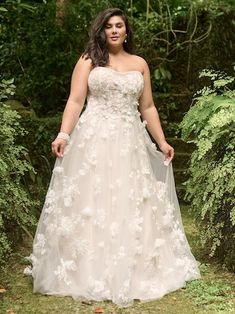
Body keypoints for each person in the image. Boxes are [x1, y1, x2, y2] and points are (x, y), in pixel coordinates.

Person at [26, 7, 201, 308]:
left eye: (119, 25)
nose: (115, 30)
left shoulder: (140, 64)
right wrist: (63, 134)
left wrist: (161, 141)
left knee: (130, 198)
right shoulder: (88, 61)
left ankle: (134, 265)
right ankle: (86, 268)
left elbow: (147, 108)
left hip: (130, 141)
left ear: (127, 30)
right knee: (93, 200)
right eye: (109, 26)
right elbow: (75, 100)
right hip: (94, 141)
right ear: (102, 31)